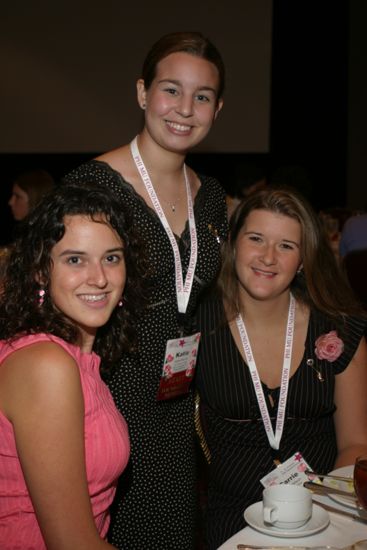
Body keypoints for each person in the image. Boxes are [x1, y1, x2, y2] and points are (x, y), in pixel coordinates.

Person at [65, 31, 227, 549]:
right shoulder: (92, 186)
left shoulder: (213, 198)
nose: (185, 108)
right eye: (170, 90)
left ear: (217, 109)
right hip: (104, 401)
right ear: (142, 93)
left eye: (202, 96)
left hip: (176, 407)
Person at [195, 186, 367, 549]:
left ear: (303, 259)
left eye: (286, 246)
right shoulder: (197, 325)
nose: (268, 258)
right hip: (233, 516)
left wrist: (329, 518)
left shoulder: (338, 328)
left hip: (324, 512)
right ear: (233, 243)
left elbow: (355, 443)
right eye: (256, 238)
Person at [0, 184, 147, 549]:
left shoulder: (77, 357)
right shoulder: (46, 365)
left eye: (111, 258)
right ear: (39, 271)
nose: (99, 278)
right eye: (75, 260)